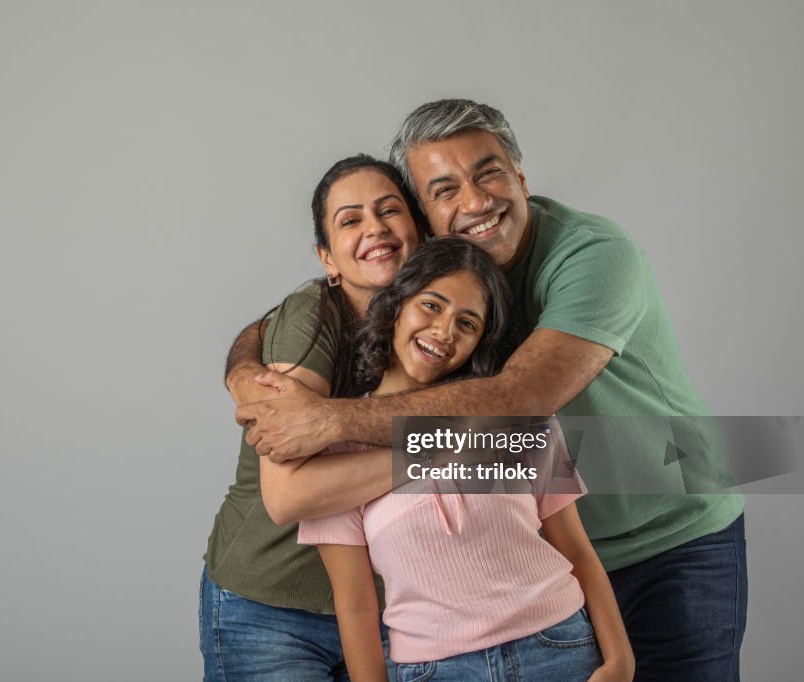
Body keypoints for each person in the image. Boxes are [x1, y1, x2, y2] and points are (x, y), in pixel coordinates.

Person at [230, 100, 746, 681]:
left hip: (670, 535)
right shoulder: (450, 283)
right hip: (552, 569)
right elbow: (293, 317)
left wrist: (332, 421)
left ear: (521, 177)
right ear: (425, 219)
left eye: (490, 173)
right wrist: (244, 361)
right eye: (445, 189)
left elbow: (522, 401)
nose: (475, 202)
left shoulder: (595, 255)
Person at [298, 238, 633, 682]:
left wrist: (620, 661)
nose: (444, 331)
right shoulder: (338, 445)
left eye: (468, 323)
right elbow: (356, 603)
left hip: (558, 649)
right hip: (434, 671)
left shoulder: (515, 421)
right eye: (432, 305)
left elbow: (576, 549)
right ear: (397, 303)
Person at [201, 154, 427, 681]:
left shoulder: (445, 315)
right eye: (350, 220)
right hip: (271, 606)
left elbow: (534, 449)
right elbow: (287, 497)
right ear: (328, 259)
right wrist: (442, 449)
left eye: (389, 210)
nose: (374, 227)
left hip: (395, 608)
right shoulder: (310, 316)